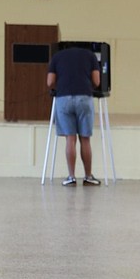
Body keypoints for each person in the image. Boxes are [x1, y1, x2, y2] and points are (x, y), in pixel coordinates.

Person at [47, 43, 102, 186]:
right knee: (85, 139)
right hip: (84, 97)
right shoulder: (90, 56)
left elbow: (50, 82)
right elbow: (96, 81)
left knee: (70, 139)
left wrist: (59, 87)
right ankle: (88, 176)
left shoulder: (57, 57)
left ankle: (71, 177)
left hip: (63, 98)